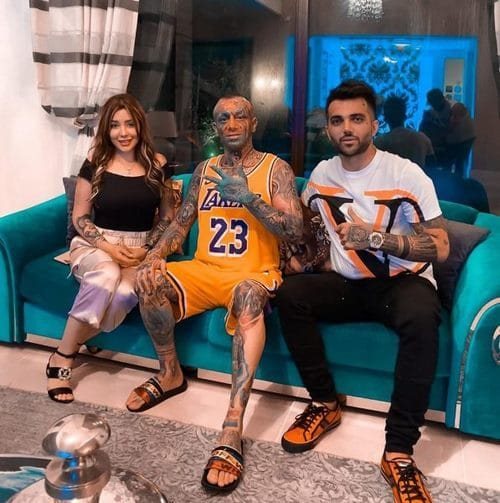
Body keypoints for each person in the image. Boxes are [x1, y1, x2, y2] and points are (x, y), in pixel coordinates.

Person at [274, 80, 449, 503]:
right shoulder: (321, 175)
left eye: (356, 118)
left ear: (374, 124)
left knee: (422, 317)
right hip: (347, 284)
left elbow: (440, 246)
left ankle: (399, 452)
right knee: (290, 295)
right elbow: (309, 231)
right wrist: (295, 256)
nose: (346, 128)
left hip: (402, 283)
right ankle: (325, 403)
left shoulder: (405, 174)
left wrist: (377, 239)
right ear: (328, 129)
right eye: (337, 121)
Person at [126, 95, 303, 492]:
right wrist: (154, 256)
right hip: (205, 269)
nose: (232, 123)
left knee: (248, 297)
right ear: (216, 127)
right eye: (224, 118)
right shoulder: (204, 171)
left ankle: (232, 426)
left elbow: (294, 231)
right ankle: (170, 374)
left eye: (240, 116)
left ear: (253, 123)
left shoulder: (275, 168)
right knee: (148, 281)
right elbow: (181, 224)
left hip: (254, 273)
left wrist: (249, 198)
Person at [46, 93, 176, 404]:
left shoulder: (158, 164)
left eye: (130, 124)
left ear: (140, 126)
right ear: (107, 129)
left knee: (125, 293)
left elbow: (167, 217)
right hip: (96, 243)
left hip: (139, 248)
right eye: (115, 125)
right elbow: (80, 217)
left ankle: (71, 343)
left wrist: (147, 248)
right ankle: (63, 358)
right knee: (105, 276)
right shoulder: (96, 162)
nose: (123, 132)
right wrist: (108, 248)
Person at [375, 95, 435, 168]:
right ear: (405, 116)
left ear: (385, 118)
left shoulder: (379, 143)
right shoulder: (422, 139)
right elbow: (432, 166)